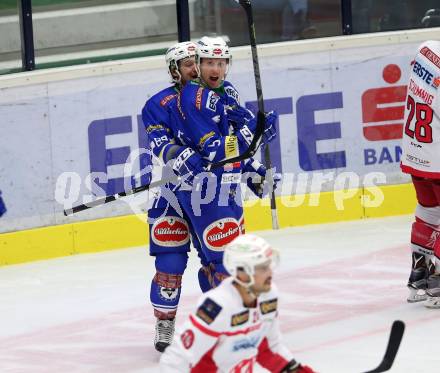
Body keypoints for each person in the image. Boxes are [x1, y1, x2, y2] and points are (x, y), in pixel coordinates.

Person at [168, 36, 279, 288]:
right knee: (226, 263)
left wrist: (254, 169)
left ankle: (219, 321)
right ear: (198, 63)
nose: (215, 69)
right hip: (203, 190)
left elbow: (233, 144)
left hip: (226, 187)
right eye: (208, 62)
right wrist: (252, 133)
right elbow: (215, 152)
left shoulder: (227, 92)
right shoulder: (192, 98)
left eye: (220, 62)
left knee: (222, 262)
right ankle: (229, 320)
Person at [142, 41, 216, 352]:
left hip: (207, 191)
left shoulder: (213, 100)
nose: (196, 69)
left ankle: (218, 321)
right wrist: (184, 157)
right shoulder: (158, 103)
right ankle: (165, 322)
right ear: (175, 70)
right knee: (169, 264)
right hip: (169, 193)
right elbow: (160, 142)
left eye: (198, 62)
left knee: (217, 262)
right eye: (188, 64)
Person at [160, 233, 316, 372]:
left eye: (269, 266)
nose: (270, 273)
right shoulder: (217, 306)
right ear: (241, 273)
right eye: (262, 268)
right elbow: (176, 361)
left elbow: (268, 348)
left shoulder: (268, 295)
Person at [400, 39, 440, 308]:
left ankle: (419, 272)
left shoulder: (426, 48)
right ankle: (437, 281)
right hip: (437, 159)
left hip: (416, 151)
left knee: (428, 211)